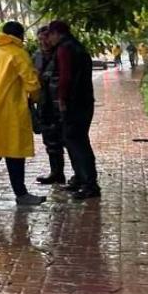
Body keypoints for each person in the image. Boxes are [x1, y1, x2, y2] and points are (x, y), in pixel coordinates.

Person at [0, 21, 44, 205]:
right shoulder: (18, 54)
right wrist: (37, 99)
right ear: (19, 36)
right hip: (12, 110)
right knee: (15, 151)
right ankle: (21, 194)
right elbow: (32, 83)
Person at [47, 20, 101, 200]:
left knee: (77, 143)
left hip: (74, 102)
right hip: (84, 100)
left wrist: (62, 99)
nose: (49, 39)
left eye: (50, 35)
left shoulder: (65, 49)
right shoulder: (77, 46)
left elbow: (65, 77)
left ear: (56, 33)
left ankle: (89, 184)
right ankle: (80, 178)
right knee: (74, 141)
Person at [33, 27, 72, 187]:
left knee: (68, 140)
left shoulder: (61, 53)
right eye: (40, 39)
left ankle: (79, 175)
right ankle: (56, 173)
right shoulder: (37, 56)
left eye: (46, 38)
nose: (43, 42)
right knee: (50, 141)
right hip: (44, 102)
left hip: (60, 103)